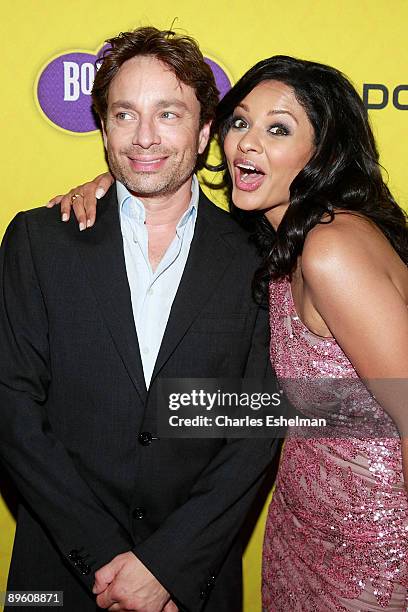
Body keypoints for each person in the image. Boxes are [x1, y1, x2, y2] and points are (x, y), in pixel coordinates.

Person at [59, 55, 408, 610]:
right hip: (301, 528)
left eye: (279, 129)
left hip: (372, 539)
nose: (247, 143)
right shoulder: (276, 245)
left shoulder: (332, 249)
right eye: (241, 122)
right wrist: (121, 184)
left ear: (323, 154)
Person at [0, 27, 279, 612]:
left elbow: (254, 433)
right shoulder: (39, 241)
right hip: (55, 574)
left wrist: (167, 566)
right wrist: (101, 555)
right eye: (125, 114)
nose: (145, 137)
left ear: (205, 133)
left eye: (169, 114)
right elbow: (12, 408)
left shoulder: (258, 258)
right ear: (103, 128)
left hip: (192, 581)